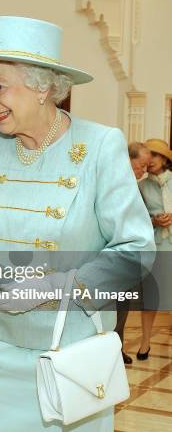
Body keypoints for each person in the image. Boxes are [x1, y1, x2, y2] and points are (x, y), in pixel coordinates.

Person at [0, 15, 154, 431]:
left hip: (71, 357)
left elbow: (136, 248)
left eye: (0, 87)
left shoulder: (98, 146)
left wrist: (55, 286)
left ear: (43, 87)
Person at [115, 142, 153, 364]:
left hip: (127, 257)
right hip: (112, 255)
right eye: (141, 165)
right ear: (128, 159)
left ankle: (116, 349)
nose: (144, 171)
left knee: (122, 306)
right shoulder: (114, 182)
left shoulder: (133, 185)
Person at [137, 138, 172, 360]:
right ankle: (145, 342)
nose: (150, 161)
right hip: (156, 245)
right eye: (148, 156)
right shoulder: (141, 185)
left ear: (165, 159)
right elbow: (137, 218)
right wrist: (153, 221)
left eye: (155, 156)